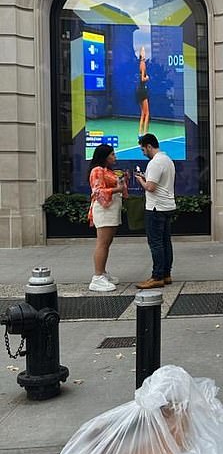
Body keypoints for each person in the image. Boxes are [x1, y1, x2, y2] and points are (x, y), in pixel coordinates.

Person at [135, 133, 176, 289]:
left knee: (156, 243)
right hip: (167, 206)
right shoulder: (167, 160)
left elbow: (150, 187)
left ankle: (157, 276)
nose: (143, 153)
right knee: (166, 242)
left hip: (155, 207)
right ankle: (166, 274)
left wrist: (140, 180)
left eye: (143, 149)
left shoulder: (155, 163)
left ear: (149, 146)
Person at [87, 144, 127, 292]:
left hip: (111, 209)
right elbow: (97, 192)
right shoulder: (97, 170)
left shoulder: (107, 171)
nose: (114, 157)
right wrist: (118, 188)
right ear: (104, 156)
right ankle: (97, 277)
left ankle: (102, 272)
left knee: (106, 242)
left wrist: (121, 182)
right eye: (112, 155)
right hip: (104, 210)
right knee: (102, 243)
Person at [136, 46, 151, 136]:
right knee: (147, 113)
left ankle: (140, 133)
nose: (144, 52)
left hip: (139, 90)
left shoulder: (140, 64)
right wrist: (147, 78)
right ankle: (145, 133)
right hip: (142, 91)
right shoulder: (143, 64)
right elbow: (142, 79)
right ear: (141, 56)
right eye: (143, 52)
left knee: (143, 113)